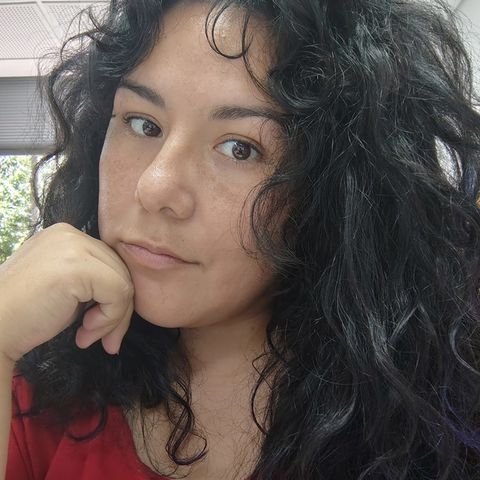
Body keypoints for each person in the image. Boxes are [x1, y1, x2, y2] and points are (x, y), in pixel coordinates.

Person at [1, 0, 480, 478]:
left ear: (333, 193)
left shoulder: (432, 432)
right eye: (143, 124)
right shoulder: (35, 392)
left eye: (240, 148)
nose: (156, 187)